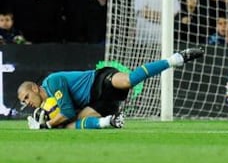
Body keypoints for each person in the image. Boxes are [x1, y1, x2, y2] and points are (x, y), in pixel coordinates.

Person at [17, 47, 204, 129]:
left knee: (129, 80)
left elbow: (66, 110)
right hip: (99, 103)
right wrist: (51, 124)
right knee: (69, 126)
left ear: (34, 87)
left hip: (98, 80)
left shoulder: (52, 82)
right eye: (24, 102)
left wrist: (47, 125)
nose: (27, 103)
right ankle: (110, 121)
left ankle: (175, 59)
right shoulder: (48, 106)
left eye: (26, 97)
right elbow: (67, 115)